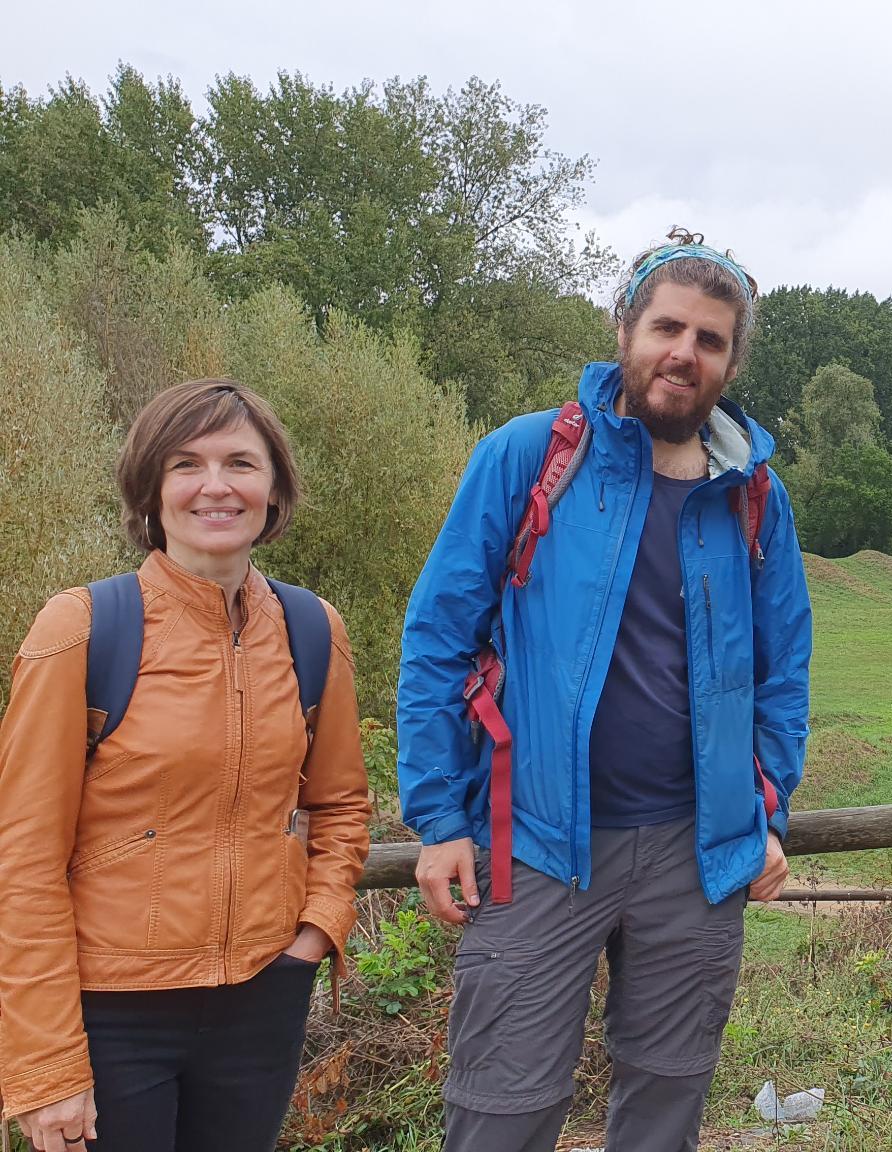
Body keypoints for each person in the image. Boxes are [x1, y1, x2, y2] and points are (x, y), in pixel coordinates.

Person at [397, 230, 812, 1152]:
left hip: (695, 857)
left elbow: (783, 672)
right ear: (623, 326)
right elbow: (436, 639)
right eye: (667, 326)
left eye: (710, 339)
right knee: (503, 1108)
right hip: (536, 840)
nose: (683, 353)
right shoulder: (529, 457)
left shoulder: (753, 495)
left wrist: (768, 811)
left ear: (731, 359)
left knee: (666, 1103)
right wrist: (437, 821)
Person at [0, 379, 372, 1152]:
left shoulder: (311, 629)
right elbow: (24, 861)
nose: (216, 486)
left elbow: (339, 805)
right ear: (151, 490)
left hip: (261, 1006)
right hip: (110, 1014)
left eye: (241, 462)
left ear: (273, 490)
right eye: (185, 464)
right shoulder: (82, 628)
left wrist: (315, 932)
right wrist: (47, 1067)